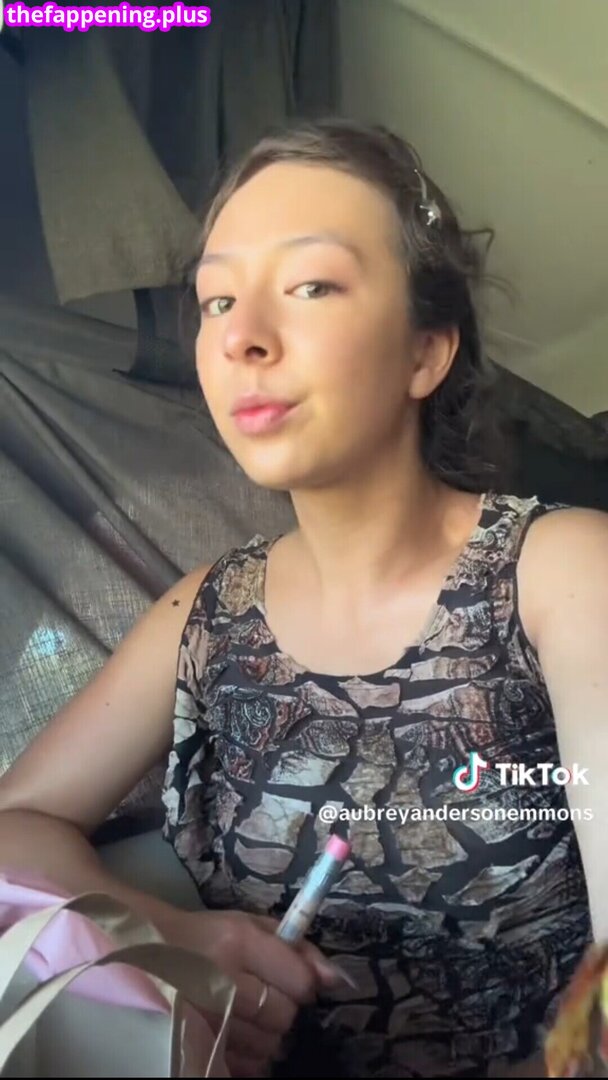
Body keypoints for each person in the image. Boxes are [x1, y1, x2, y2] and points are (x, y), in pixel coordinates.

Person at [0, 118, 606, 1079]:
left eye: (312, 285)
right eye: (216, 299)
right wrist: (172, 935)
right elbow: (15, 825)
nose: (240, 336)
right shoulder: (205, 615)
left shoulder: (561, 571)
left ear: (425, 351)